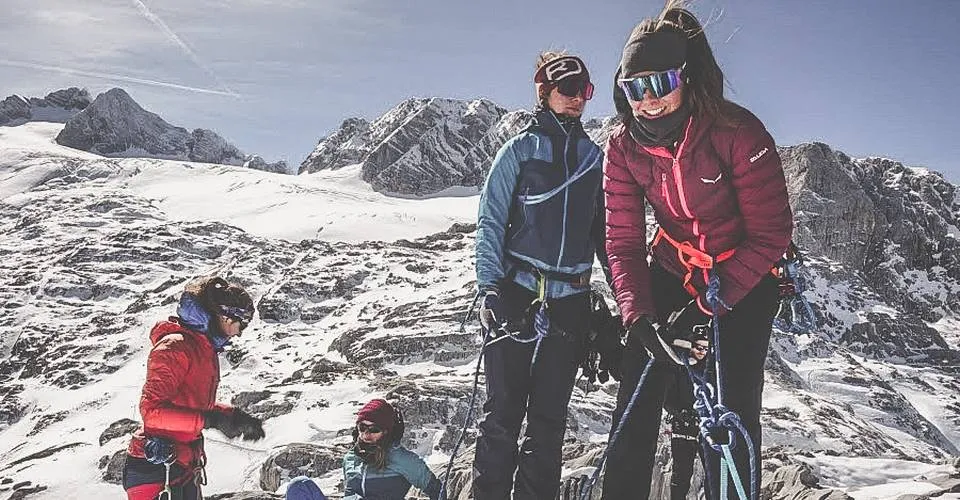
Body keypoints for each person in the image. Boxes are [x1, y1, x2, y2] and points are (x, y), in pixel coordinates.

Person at [601, 1, 793, 498]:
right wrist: (637, 316)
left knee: (732, 405)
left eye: (659, 84)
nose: (648, 101)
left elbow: (771, 233)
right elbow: (622, 239)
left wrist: (708, 307)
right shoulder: (623, 148)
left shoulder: (736, 132)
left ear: (685, 77)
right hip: (673, 267)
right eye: (634, 88)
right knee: (637, 392)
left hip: (744, 276)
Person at [473, 50, 606, 499]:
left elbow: (605, 233)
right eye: (568, 91)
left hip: (570, 304)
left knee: (549, 421)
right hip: (516, 293)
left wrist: (630, 301)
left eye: (585, 91)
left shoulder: (594, 158)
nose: (578, 100)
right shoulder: (519, 151)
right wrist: (490, 289)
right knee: (502, 417)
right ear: (545, 93)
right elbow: (490, 219)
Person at [122, 276, 264, 500]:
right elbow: (152, 413)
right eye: (242, 324)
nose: (240, 332)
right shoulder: (175, 347)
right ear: (226, 317)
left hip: (182, 465)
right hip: (156, 471)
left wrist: (232, 416)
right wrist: (211, 420)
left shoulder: (202, 348)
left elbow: (191, 402)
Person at [342, 398, 444, 500]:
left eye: (374, 429)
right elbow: (348, 494)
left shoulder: (403, 460)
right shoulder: (350, 459)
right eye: (362, 427)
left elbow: (438, 491)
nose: (366, 434)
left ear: (386, 431)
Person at [664, 333, 710, 500]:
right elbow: (666, 399)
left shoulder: (711, 370)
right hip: (683, 427)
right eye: (699, 347)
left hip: (705, 427)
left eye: (706, 348)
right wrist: (680, 414)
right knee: (681, 474)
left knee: (712, 474)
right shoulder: (680, 367)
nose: (702, 352)